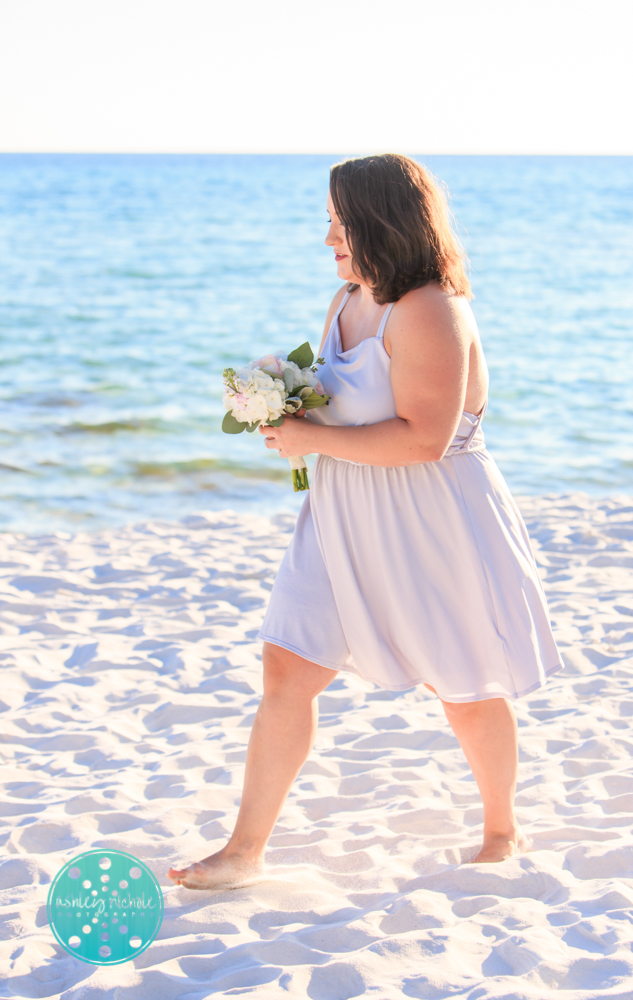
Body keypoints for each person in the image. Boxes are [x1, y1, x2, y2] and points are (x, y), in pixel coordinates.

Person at [168, 154, 563, 890]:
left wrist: (310, 437)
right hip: (344, 513)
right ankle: (244, 849)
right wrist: (283, 404)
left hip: (432, 518)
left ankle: (501, 831)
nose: (328, 240)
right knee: (286, 664)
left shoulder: (431, 310)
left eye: (339, 223)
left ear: (381, 221)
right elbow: (347, 398)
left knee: (466, 684)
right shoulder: (345, 300)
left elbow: (424, 437)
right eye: (327, 222)